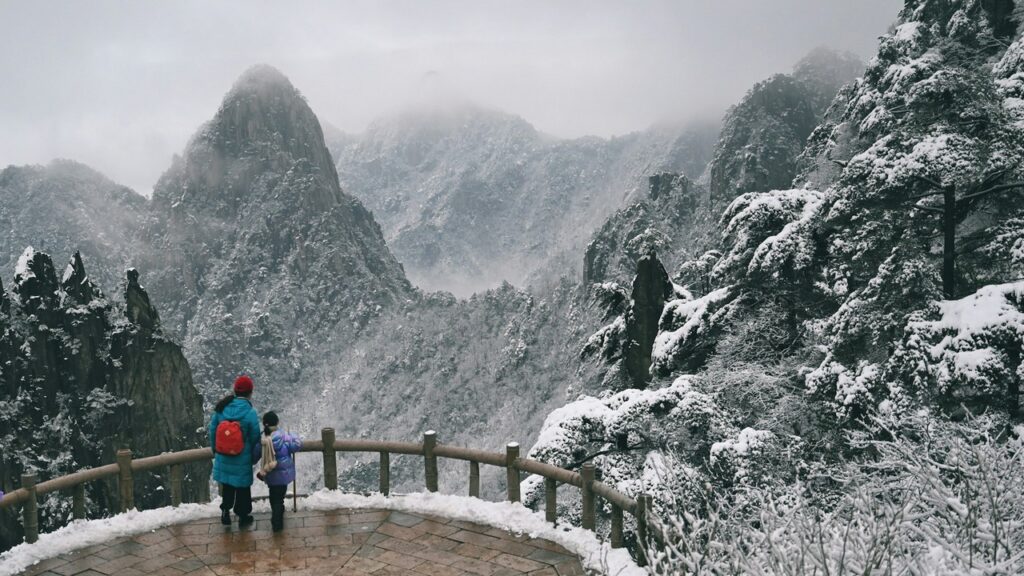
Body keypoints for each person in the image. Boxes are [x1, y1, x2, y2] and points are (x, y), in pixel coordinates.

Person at [209, 374, 261, 527]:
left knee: (228, 485)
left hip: (223, 455)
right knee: (242, 487)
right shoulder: (250, 412)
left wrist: (215, 450)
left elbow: (212, 430)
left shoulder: (221, 408)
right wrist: (253, 457)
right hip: (241, 456)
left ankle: (225, 510)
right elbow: (255, 437)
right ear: (250, 393)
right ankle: (243, 515)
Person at [256, 411, 302, 532]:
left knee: (274, 497)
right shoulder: (285, 437)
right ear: (277, 423)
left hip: (270, 474)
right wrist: (293, 435)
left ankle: (277, 518)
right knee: (280, 497)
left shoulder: (262, 439)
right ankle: (278, 518)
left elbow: (255, 454)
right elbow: (296, 445)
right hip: (284, 475)